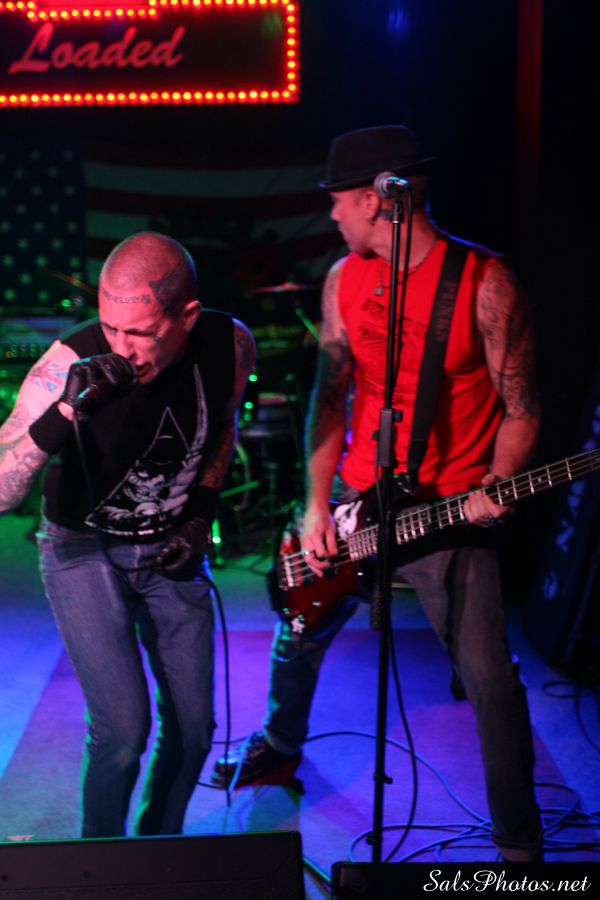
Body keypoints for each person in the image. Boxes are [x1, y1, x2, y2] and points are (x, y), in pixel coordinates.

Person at [212, 125, 544, 863]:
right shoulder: (344, 278)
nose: (331, 214)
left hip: (451, 509)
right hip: (356, 497)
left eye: (338, 200)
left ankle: (521, 851)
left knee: (490, 680)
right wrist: (314, 504)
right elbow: (328, 398)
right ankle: (279, 745)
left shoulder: (486, 283)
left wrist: (496, 484)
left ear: (374, 200)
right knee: (298, 627)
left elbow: (523, 409)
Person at [0, 231, 256, 837]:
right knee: (123, 730)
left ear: (187, 316)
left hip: (171, 545)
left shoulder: (230, 343)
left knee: (194, 732)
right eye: (111, 328)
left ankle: (158, 848)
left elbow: (223, 428)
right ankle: (102, 864)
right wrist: (65, 412)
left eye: (140, 333)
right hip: (80, 550)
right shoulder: (68, 361)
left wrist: (201, 513)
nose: (122, 349)